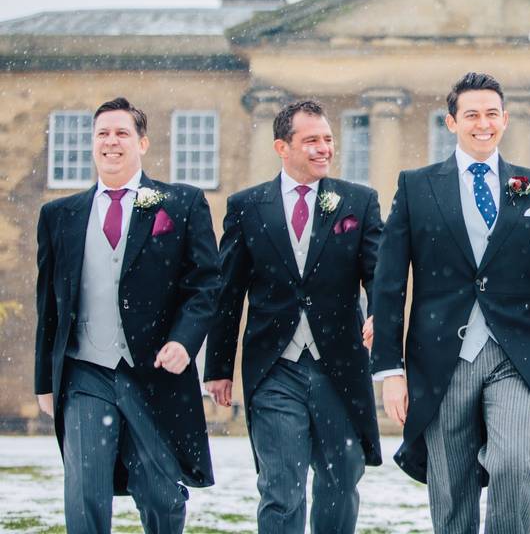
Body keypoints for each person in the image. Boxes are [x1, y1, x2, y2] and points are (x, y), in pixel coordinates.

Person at [371, 72, 530, 533]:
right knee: (451, 485)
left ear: (505, 120)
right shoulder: (416, 186)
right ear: (451, 122)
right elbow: (389, 284)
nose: (482, 123)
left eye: (491, 114)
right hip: (441, 358)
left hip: (515, 355)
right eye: (471, 114)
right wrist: (389, 370)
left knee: (514, 462)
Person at [35, 97, 220, 533]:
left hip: (152, 372)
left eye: (121, 133)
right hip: (85, 372)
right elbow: (50, 305)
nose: (111, 142)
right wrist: (45, 379)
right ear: (93, 143)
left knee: (160, 493)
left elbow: (206, 284)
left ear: (142, 143)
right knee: (85, 489)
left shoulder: (182, 205)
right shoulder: (59, 216)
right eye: (102, 133)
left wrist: (184, 340)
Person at [203, 99, 382, 533]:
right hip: (274, 368)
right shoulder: (247, 207)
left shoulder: (358, 202)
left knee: (341, 481)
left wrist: (379, 314)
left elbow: (380, 274)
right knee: (281, 488)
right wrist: (219, 368)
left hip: (339, 366)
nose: (324, 149)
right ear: (282, 147)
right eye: (311, 141)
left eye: (328, 140)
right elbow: (228, 292)